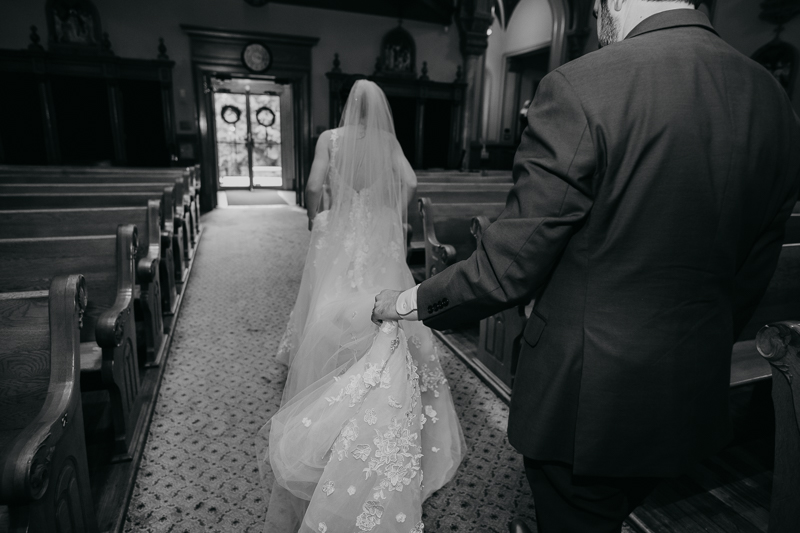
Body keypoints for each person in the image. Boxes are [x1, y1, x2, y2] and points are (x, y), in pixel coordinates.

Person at [372, 1, 800, 532]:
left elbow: (506, 267)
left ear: (615, 2)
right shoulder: (774, 99)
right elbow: (753, 269)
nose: (598, 21)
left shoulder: (584, 84)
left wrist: (406, 302)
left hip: (587, 401)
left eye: (599, 6)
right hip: (690, 387)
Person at [258, 79, 465, 533]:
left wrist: (318, 214)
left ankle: (328, 370)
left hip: (342, 229)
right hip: (378, 232)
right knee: (383, 301)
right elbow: (409, 180)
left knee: (327, 299)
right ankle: (376, 369)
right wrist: (392, 212)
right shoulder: (389, 141)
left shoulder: (329, 140)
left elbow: (313, 184)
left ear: (348, 106)